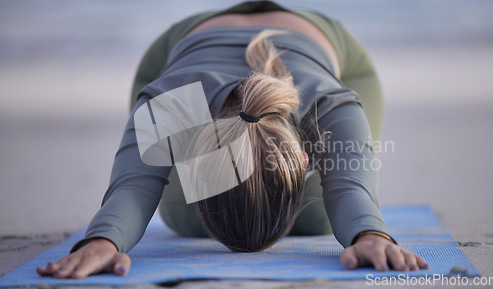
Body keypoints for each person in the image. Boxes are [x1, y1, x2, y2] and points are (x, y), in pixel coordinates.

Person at [37, 1, 429, 279]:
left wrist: (370, 233)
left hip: (336, 52)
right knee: (200, 219)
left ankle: (270, 194)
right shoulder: (170, 101)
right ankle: (262, 195)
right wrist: (104, 240)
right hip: (174, 54)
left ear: (306, 159)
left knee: (326, 215)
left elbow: (349, 186)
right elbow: (135, 186)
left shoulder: (330, 102)